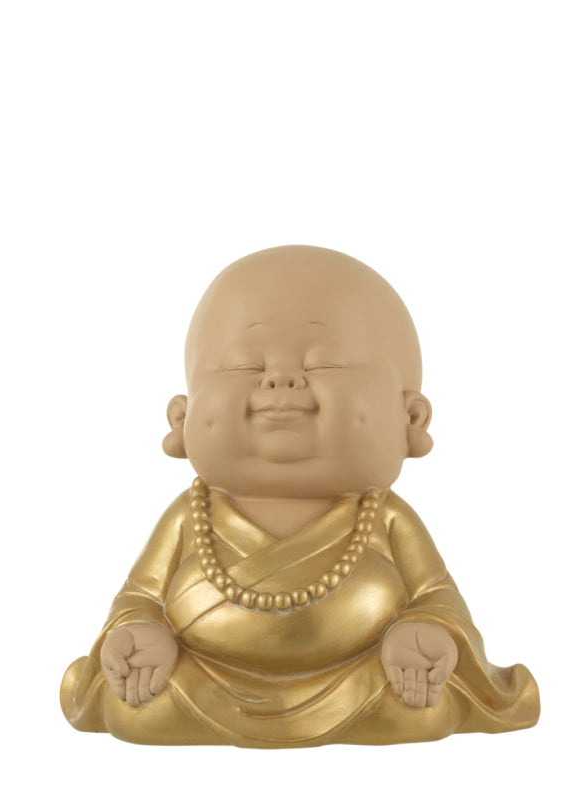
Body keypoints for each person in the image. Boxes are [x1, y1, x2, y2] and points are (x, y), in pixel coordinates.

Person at [60, 245, 539, 747]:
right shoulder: (188, 516)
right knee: (136, 709)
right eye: (246, 366)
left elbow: (435, 596)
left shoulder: (386, 518)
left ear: (410, 420)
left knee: (423, 710)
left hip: (358, 682)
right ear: (181, 418)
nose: (280, 380)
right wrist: (140, 635)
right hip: (204, 681)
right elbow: (140, 598)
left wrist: (423, 633)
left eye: (325, 365)